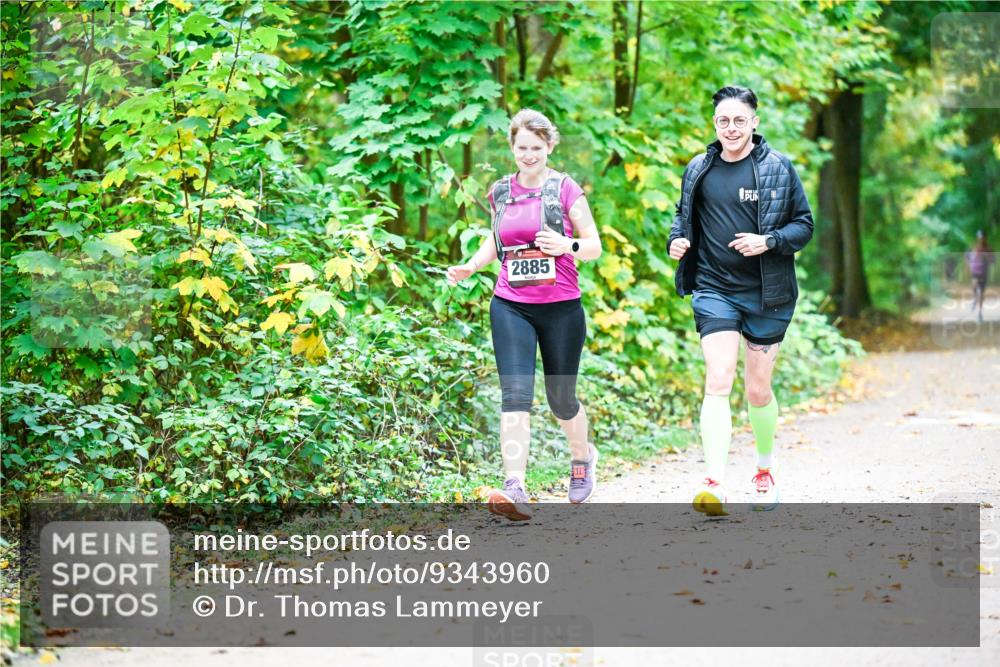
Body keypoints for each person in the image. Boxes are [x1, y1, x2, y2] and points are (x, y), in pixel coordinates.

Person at [447, 109, 603, 521]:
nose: (529, 155)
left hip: (561, 308)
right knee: (515, 396)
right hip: (511, 304)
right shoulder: (500, 191)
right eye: (522, 148)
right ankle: (515, 486)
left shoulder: (566, 189)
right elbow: (494, 238)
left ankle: (582, 458)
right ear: (512, 148)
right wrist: (471, 266)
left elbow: (594, 246)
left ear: (549, 147)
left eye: (536, 148)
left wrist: (565, 247)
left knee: (560, 399)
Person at [667, 86, 814, 516]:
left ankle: (764, 471)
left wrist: (768, 241)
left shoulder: (777, 169)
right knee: (718, 378)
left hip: (767, 294)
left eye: (738, 120)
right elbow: (682, 215)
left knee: (757, 389)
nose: (730, 128)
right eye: (722, 121)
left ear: (754, 122)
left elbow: (804, 226)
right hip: (714, 288)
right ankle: (714, 482)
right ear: (715, 124)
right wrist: (678, 239)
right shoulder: (699, 168)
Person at [965, 230, 994, 323]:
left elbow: (993, 260)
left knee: (982, 293)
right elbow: (967, 256)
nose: (981, 239)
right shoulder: (973, 247)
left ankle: (980, 314)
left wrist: (989, 259)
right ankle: (974, 298)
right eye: (980, 237)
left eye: (983, 237)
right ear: (977, 237)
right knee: (974, 285)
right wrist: (969, 264)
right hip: (975, 271)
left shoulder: (988, 249)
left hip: (984, 272)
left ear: (985, 238)